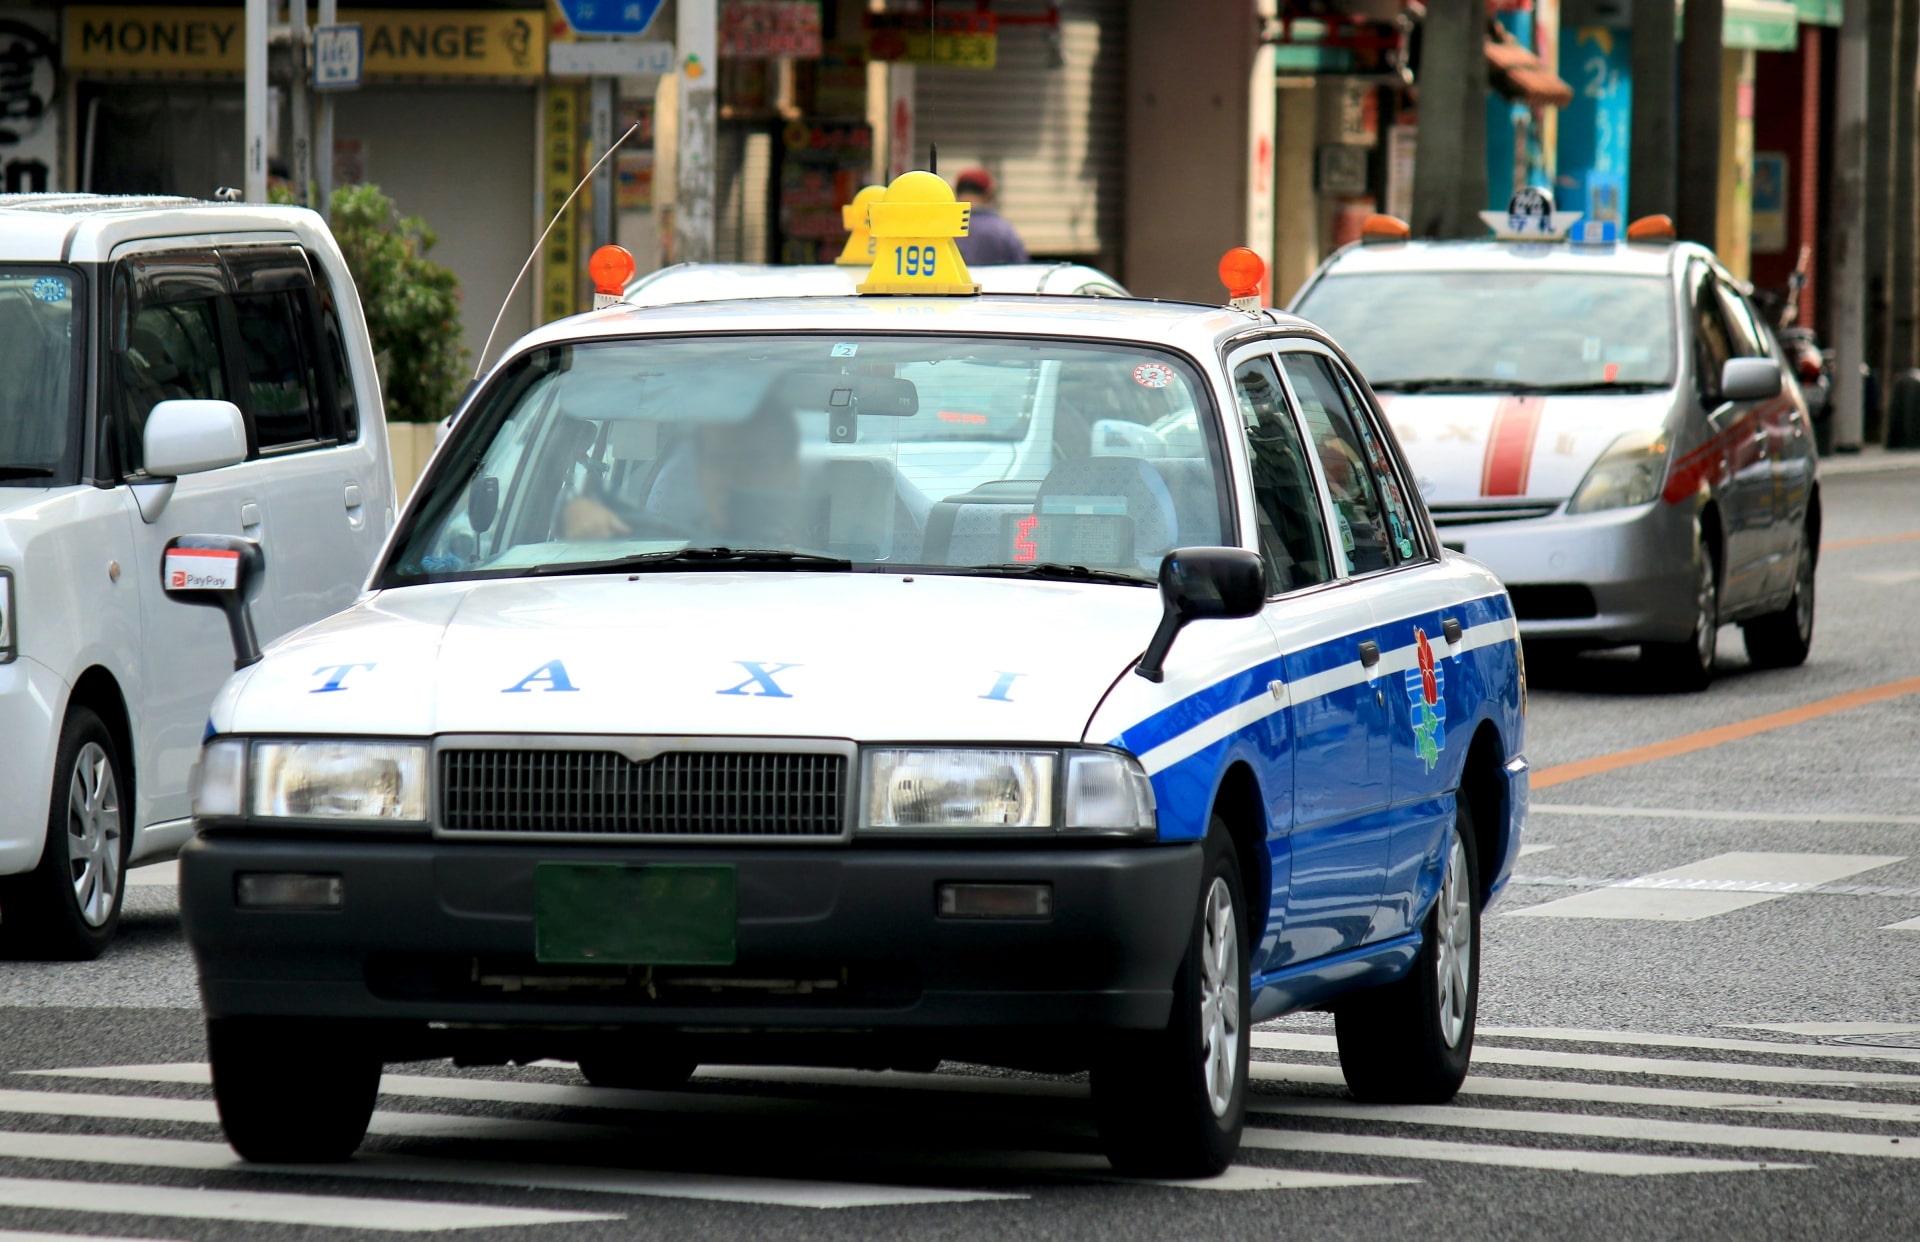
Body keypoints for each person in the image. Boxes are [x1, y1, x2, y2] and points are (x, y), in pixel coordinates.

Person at [560, 398, 812, 547]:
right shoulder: (641, 547)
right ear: (700, 471)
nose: (732, 475)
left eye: (752, 460)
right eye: (719, 461)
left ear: (790, 471)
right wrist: (570, 514)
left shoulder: (830, 570)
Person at [952, 168, 1028, 265]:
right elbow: (1021, 266)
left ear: (956, 193)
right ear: (988, 194)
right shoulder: (1003, 229)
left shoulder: (947, 228)